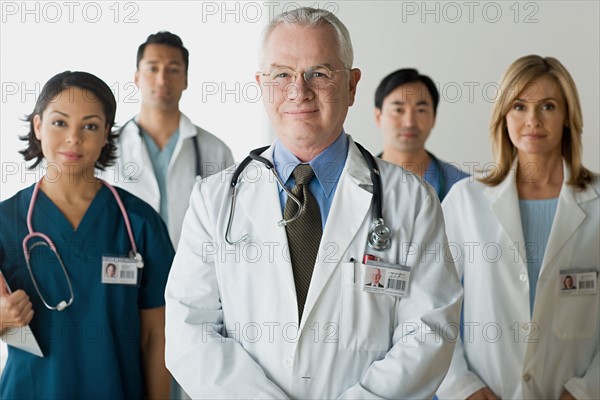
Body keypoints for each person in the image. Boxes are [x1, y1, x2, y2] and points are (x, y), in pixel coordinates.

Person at [165, 7, 462, 399]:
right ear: (260, 84)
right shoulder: (214, 199)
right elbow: (190, 329)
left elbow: (429, 331)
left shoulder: (411, 200)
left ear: (353, 86)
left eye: (319, 74)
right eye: (281, 74)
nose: (298, 90)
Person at [0, 71, 174, 399]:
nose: (74, 138)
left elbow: (156, 335)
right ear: (38, 126)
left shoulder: (139, 223)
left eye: (90, 126)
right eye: (60, 123)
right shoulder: (5, 221)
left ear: (106, 134)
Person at [437, 55, 599, 399]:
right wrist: (462, 386)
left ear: (568, 117)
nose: (533, 121)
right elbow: (429, 307)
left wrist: (587, 391)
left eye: (548, 106)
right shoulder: (466, 202)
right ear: (504, 116)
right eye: (520, 106)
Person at [104, 31, 234, 247]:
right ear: (136, 77)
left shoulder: (215, 151)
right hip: (125, 271)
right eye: (153, 68)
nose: (162, 79)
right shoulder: (108, 147)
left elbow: (229, 223)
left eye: (173, 70)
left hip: (194, 273)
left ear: (185, 80)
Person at [375, 68, 468, 200]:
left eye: (421, 110)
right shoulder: (352, 182)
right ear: (378, 117)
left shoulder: (463, 187)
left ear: (434, 118)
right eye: (398, 109)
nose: (409, 123)